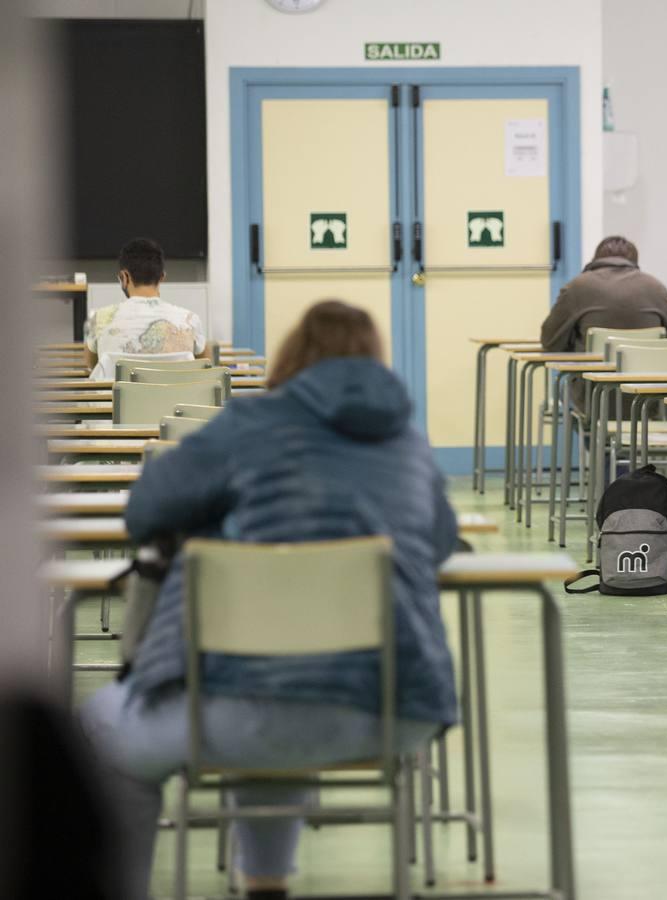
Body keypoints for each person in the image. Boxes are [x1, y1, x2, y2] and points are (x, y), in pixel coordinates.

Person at [81, 300, 459, 900]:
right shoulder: (409, 443)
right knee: (280, 689)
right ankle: (265, 885)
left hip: (246, 706)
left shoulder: (250, 424)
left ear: (291, 358)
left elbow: (145, 510)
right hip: (394, 706)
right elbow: (439, 542)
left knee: (107, 723)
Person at [541, 236, 667, 409]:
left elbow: (549, 340)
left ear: (596, 259)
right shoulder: (655, 287)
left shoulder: (578, 286)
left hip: (593, 398)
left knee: (564, 388)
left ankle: (592, 435)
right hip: (649, 400)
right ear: (634, 261)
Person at [83, 238, 208, 381]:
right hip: (176, 403)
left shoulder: (99, 318)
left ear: (124, 277)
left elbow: (92, 365)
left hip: (117, 403)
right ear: (162, 277)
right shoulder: (190, 320)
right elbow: (205, 367)